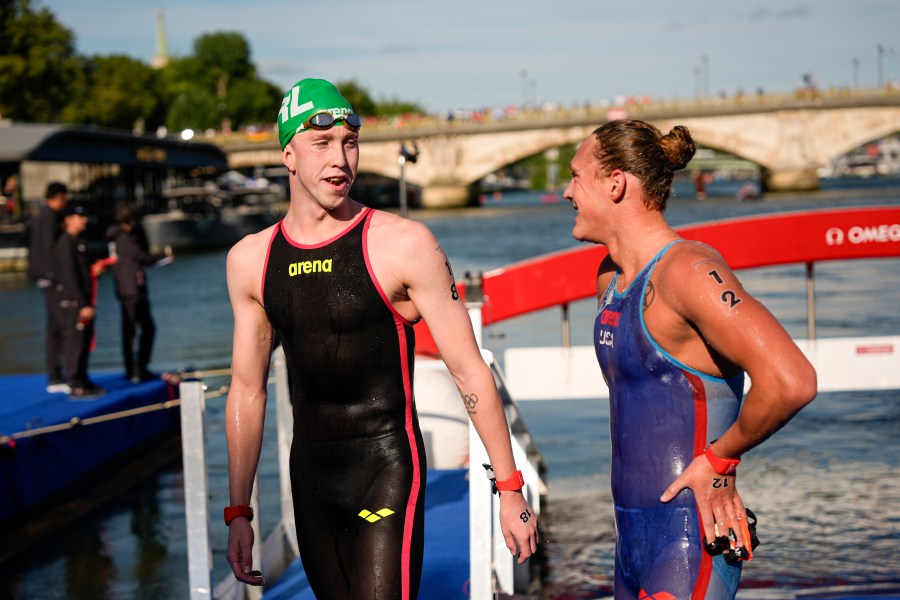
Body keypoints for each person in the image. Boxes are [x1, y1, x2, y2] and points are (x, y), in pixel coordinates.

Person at [224, 78, 539, 598]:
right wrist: (239, 511)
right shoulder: (250, 261)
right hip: (312, 475)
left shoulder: (403, 244)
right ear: (288, 155)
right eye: (322, 144)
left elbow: (467, 368)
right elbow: (246, 390)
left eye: (350, 143)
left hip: (386, 464)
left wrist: (509, 489)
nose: (340, 159)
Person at [562, 119, 816, 599]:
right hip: (629, 540)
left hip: (690, 540)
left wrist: (720, 460)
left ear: (616, 183)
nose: (566, 191)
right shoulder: (610, 277)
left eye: (576, 176)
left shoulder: (691, 272)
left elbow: (791, 380)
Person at [105, 202, 169, 383]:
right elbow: (141, 256)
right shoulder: (122, 237)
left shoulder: (125, 235)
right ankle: (134, 369)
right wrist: (163, 256)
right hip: (129, 288)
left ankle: (139, 367)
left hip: (133, 286)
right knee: (133, 330)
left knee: (143, 328)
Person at [53, 203, 105, 399]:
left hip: (85, 299)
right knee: (75, 341)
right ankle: (74, 383)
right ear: (68, 220)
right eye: (78, 216)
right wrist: (82, 304)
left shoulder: (79, 242)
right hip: (74, 303)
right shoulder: (65, 244)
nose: (84, 220)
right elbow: (69, 277)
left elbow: (83, 272)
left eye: (84, 217)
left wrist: (96, 270)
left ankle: (83, 378)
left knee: (84, 341)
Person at [27, 182, 69, 393]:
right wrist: (60, 278)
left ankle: (56, 376)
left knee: (54, 327)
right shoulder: (50, 217)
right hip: (50, 278)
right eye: (65, 197)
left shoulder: (45, 215)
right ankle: (58, 376)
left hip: (46, 276)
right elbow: (49, 250)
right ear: (59, 196)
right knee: (62, 326)